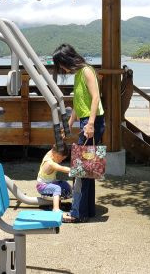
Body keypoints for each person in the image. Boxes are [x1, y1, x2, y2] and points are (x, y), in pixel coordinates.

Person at [52, 43, 105, 223]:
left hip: (92, 122)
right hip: (88, 121)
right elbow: (78, 104)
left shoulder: (87, 71)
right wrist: (69, 123)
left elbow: (96, 97)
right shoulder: (79, 74)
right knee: (87, 169)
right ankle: (87, 210)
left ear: (67, 60)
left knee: (80, 169)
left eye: (61, 65)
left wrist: (89, 124)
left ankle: (77, 213)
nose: (63, 70)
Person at [36, 144, 72, 212]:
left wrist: (61, 138)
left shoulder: (51, 152)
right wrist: (76, 170)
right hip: (42, 186)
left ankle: (69, 199)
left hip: (50, 183)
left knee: (65, 184)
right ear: (56, 153)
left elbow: (56, 146)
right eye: (61, 158)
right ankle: (55, 208)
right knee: (57, 188)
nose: (61, 161)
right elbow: (62, 168)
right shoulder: (50, 163)